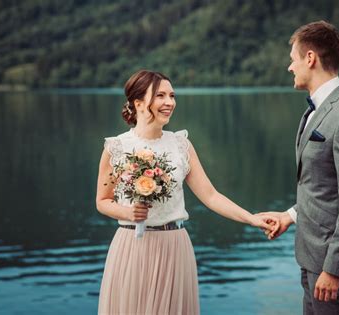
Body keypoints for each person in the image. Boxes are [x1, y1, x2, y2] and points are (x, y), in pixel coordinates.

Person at [96, 70, 277, 314]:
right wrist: (129, 213)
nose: (169, 102)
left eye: (172, 95)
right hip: (131, 247)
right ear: (138, 103)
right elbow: (103, 201)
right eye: (160, 95)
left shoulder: (181, 144)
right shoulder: (116, 147)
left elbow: (211, 196)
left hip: (174, 247)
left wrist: (252, 219)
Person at [258, 21, 339, 314]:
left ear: (310, 58)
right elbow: (323, 186)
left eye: (293, 59)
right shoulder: (317, 110)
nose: (290, 67)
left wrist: (335, 269)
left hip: (334, 268)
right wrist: (290, 215)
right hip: (313, 258)